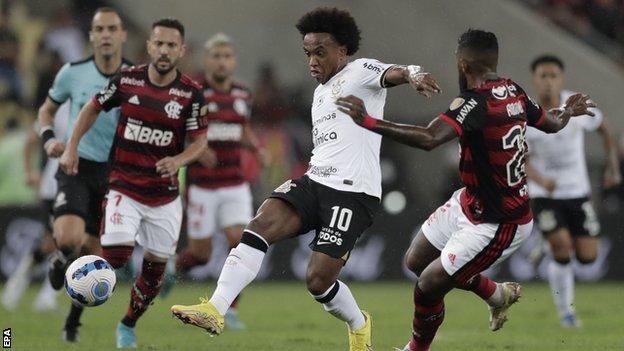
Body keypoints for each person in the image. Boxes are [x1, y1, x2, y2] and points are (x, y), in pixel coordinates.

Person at [170, 7, 441, 351]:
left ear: (342, 51)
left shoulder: (360, 71)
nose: (312, 60)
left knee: (318, 280)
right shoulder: (319, 94)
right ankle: (216, 308)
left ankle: (359, 323)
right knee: (260, 224)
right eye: (308, 53)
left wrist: (414, 74)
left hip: (353, 193)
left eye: (320, 52)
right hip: (315, 182)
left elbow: (393, 72)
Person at [335, 29, 597, 351]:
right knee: (416, 261)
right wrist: (569, 110)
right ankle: (495, 294)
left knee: (428, 285)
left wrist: (370, 122)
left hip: (500, 222)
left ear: (462, 63)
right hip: (469, 202)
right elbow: (552, 122)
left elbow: (430, 138)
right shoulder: (511, 91)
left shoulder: (476, 102)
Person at [60, 17, 208, 349]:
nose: (165, 50)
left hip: (165, 196)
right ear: (149, 45)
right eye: (160, 43)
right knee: (117, 254)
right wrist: (71, 147)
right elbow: (90, 108)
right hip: (124, 187)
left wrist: (179, 159)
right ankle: (79, 284)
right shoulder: (127, 80)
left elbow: (201, 142)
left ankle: (127, 324)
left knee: (155, 273)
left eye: (172, 45)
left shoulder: (191, 93)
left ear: (181, 50)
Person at [37, 7, 130, 342]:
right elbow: (46, 110)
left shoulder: (135, 76)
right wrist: (49, 139)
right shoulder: (71, 72)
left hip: (115, 174)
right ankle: (61, 258)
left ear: (123, 35)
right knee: (69, 239)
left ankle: (72, 323)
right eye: (99, 29)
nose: (105, 34)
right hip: (76, 165)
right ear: (91, 36)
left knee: (95, 254)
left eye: (112, 28)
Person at [525, 55, 621, 327]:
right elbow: (521, 158)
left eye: (553, 75)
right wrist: (541, 180)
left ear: (561, 79)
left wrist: (612, 167)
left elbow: (604, 129)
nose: (548, 81)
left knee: (588, 257)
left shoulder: (577, 106)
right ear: (535, 80)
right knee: (563, 249)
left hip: (577, 192)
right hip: (544, 194)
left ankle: (548, 243)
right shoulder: (527, 113)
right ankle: (566, 313)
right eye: (543, 76)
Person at [175, 32, 261, 330]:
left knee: (241, 243)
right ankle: (170, 273)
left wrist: (255, 146)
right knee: (200, 254)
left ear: (233, 61)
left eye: (227, 56)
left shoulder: (242, 94)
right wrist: (197, 147)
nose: (222, 61)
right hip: (203, 185)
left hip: (235, 183)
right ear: (207, 60)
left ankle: (230, 309)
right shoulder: (194, 93)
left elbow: (243, 126)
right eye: (216, 56)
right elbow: (179, 130)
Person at [0, 103, 68, 313]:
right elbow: (31, 139)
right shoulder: (61, 106)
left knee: (67, 243)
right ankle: (19, 285)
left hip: (83, 184)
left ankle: (44, 296)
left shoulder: (101, 106)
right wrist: (31, 172)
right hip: (55, 185)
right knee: (54, 243)